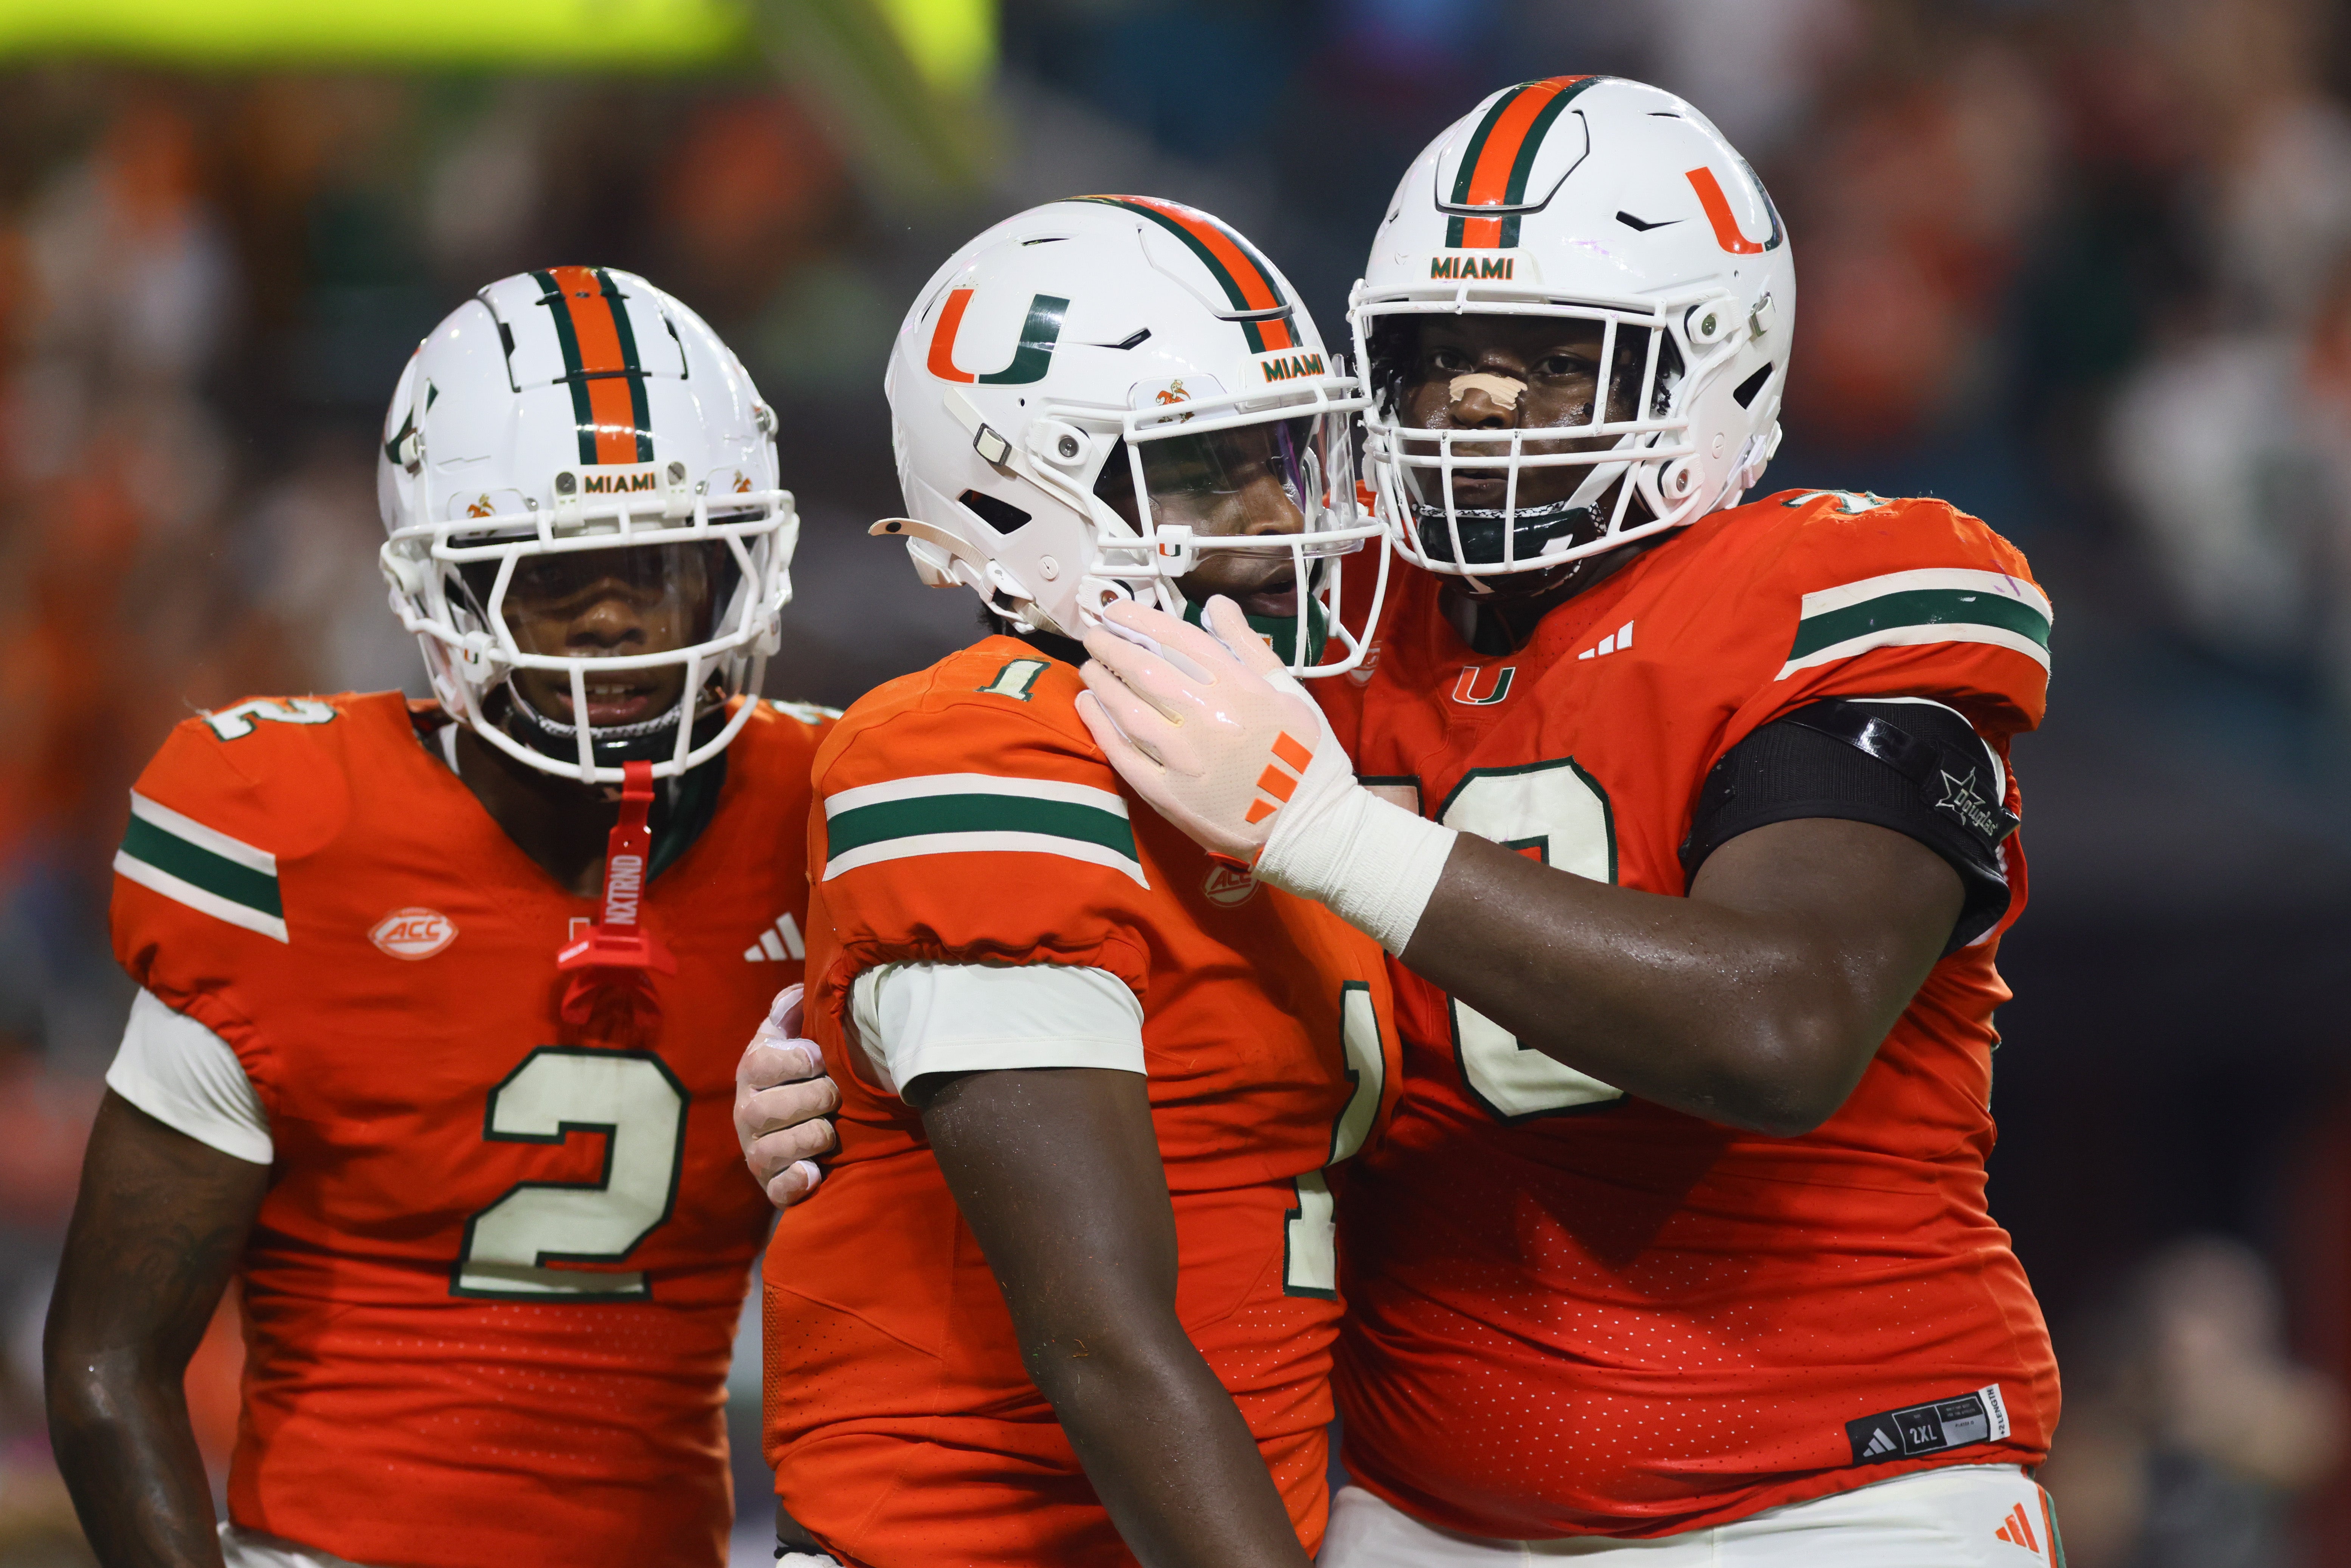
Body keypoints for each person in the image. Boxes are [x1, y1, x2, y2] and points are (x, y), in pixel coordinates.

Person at [1076, 78, 2065, 1564]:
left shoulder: (1818, 598)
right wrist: (873, 1034)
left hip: (1833, 1495)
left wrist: (1324, 827)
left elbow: (1777, 1026)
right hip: (1420, 1501)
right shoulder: (1338, 620)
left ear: (1712, 363)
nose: (1475, 405)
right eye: (1434, 359)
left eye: (1552, 360)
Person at [44, 267, 840, 1568]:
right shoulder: (295, 835)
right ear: (451, 591)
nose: (616, 618)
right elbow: (106, 1361)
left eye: (659, 563)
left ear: (736, 566)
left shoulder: (827, 817)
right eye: (553, 572)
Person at [752, 196, 1400, 1568]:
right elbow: (1099, 1340)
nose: (1281, 516)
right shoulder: (977, 749)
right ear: (1018, 504)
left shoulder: (1258, 749)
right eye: (1206, 471)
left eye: (1284, 455)